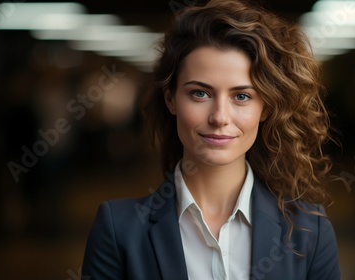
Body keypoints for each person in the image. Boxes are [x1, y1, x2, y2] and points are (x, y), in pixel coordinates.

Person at [82, 0, 340, 279]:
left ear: (265, 107)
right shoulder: (118, 230)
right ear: (171, 99)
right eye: (200, 93)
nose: (219, 117)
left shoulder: (309, 230)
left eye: (241, 96)